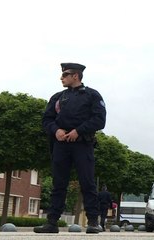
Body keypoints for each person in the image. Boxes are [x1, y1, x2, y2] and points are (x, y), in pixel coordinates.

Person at [34, 63, 106, 234]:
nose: (62, 77)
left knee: (87, 183)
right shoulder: (57, 97)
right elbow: (47, 120)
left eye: (65, 74)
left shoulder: (92, 95)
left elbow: (99, 120)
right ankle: (52, 223)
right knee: (58, 184)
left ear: (76, 76)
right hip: (61, 145)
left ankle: (93, 222)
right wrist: (56, 130)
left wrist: (78, 131)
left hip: (82, 144)